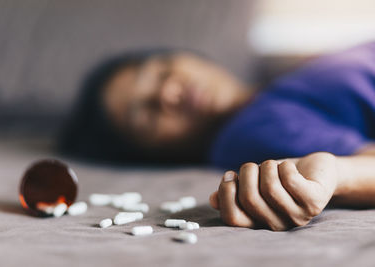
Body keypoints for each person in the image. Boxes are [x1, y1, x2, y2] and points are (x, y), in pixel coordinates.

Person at [60, 43, 375, 231]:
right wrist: (335, 174)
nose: (170, 93)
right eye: (146, 112)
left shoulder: (279, 85)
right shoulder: (251, 128)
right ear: (151, 154)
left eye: (163, 71)